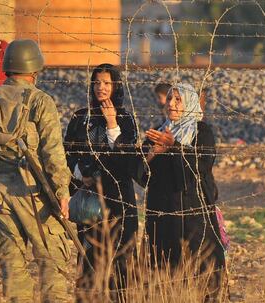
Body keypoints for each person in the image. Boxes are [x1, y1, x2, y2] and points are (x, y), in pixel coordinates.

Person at [0, 39, 71, 302]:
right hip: (33, 192)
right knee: (52, 259)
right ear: (35, 70)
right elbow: (52, 152)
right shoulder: (41, 101)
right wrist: (62, 192)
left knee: (13, 267)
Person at [132, 83, 226, 301]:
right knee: (165, 273)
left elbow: (200, 167)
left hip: (195, 215)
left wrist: (174, 147)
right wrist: (154, 152)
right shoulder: (158, 132)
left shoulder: (201, 132)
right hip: (162, 216)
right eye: (169, 100)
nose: (171, 104)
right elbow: (140, 174)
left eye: (178, 100)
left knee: (202, 272)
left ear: (190, 104)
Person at [64, 63, 138, 301]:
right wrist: (79, 173)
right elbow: (67, 152)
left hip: (118, 201)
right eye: (96, 82)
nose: (101, 88)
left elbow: (127, 160)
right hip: (88, 201)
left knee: (120, 263)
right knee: (88, 261)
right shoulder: (80, 117)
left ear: (116, 86)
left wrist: (112, 125)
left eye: (106, 83)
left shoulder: (125, 118)